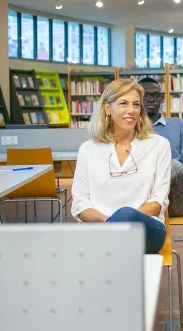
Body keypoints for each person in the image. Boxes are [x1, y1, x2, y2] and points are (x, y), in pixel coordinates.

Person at [71, 79, 171, 254]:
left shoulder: (159, 145)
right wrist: (110, 221)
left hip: (146, 230)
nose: (131, 110)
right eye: (123, 103)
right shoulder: (88, 149)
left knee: (126, 214)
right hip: (102, 229)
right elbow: (80, 205)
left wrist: (124, 220)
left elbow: (157, 202)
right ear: (107, 109)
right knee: (119, 227)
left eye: (136, 104)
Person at [139, 77, 183, 217]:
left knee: (175, 165)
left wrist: (162, 178)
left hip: (174, 198)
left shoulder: (179, 125)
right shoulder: (129, 128)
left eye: (155, 95)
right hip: (140, 198)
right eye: (145, 95)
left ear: (162, 99)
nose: (151, 99)